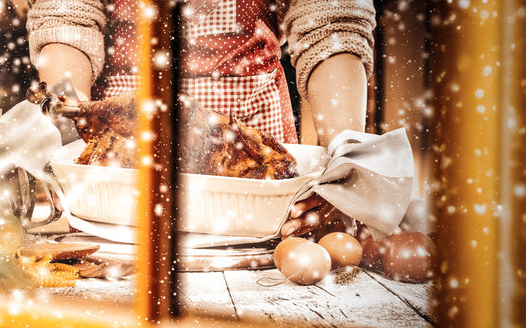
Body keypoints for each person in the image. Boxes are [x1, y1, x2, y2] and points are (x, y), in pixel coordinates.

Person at [26, 0, 376, 238]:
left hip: (253, 144)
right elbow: (67, 15)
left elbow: (331, 23)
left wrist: (343, 168)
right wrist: (72, 150)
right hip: (121, 155)